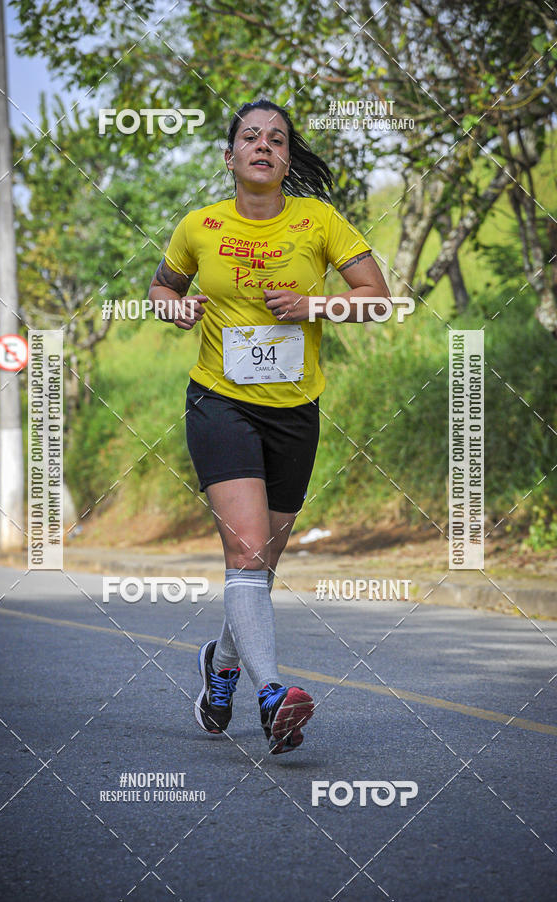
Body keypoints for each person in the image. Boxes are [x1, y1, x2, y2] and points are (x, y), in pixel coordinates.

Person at [148, 98, 390, 755]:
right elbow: (161, 286)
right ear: (230, 157)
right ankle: (274, 695)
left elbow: (378, 298)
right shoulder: (199, 225)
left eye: (276, 139)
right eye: (250, 138)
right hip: (220, 402)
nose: (263, 146)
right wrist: (175, 308)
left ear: (286, 158)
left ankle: (221, 666)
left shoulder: (320, 221)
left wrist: (315, 303)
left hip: (294, 409)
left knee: (261, 565)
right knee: (248, 550)